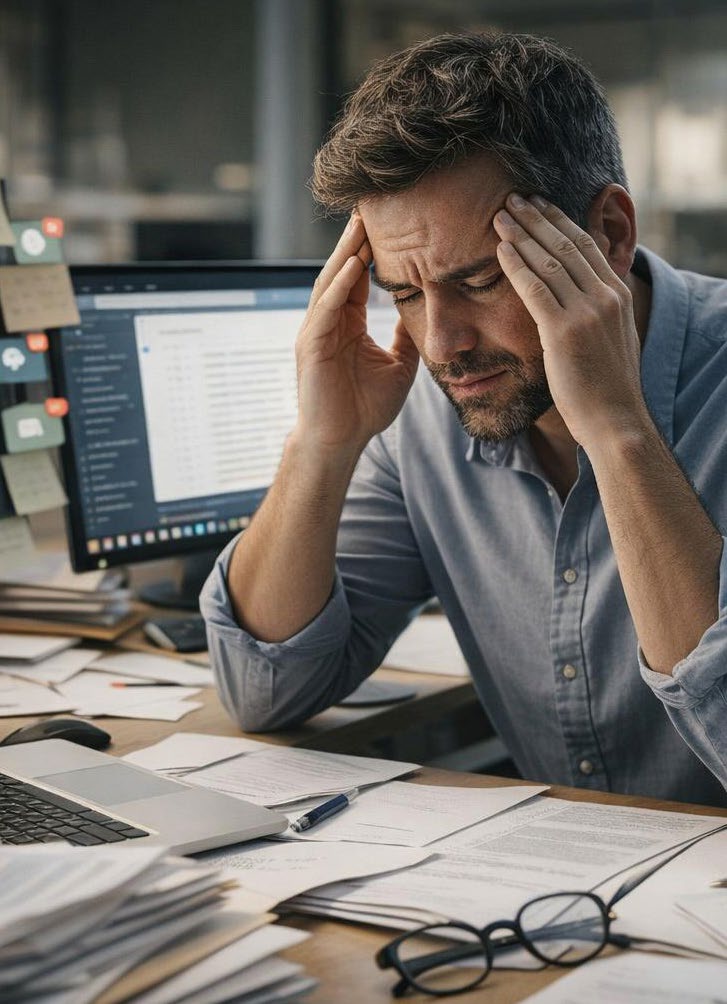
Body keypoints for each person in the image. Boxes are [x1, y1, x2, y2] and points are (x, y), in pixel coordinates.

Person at [201, 31, 727, 805]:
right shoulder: (428, 407)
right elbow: (263, 688)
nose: (442, 344)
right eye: (404, 294)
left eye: (480, 280)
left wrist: (616, 430)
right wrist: (321, 443)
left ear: (608, 235)